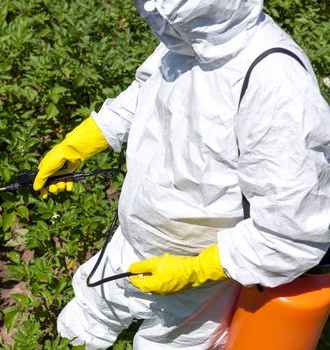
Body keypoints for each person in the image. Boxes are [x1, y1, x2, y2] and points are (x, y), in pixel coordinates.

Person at [33, 0, 330, 348]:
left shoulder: (276, 80)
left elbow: (293, 228)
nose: (156, 20)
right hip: (135, 231)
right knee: (92, 306)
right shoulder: (188, 39)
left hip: (198, 270)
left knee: (170, 341)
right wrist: (85, 140)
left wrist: (197, 270)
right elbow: (146, 92)